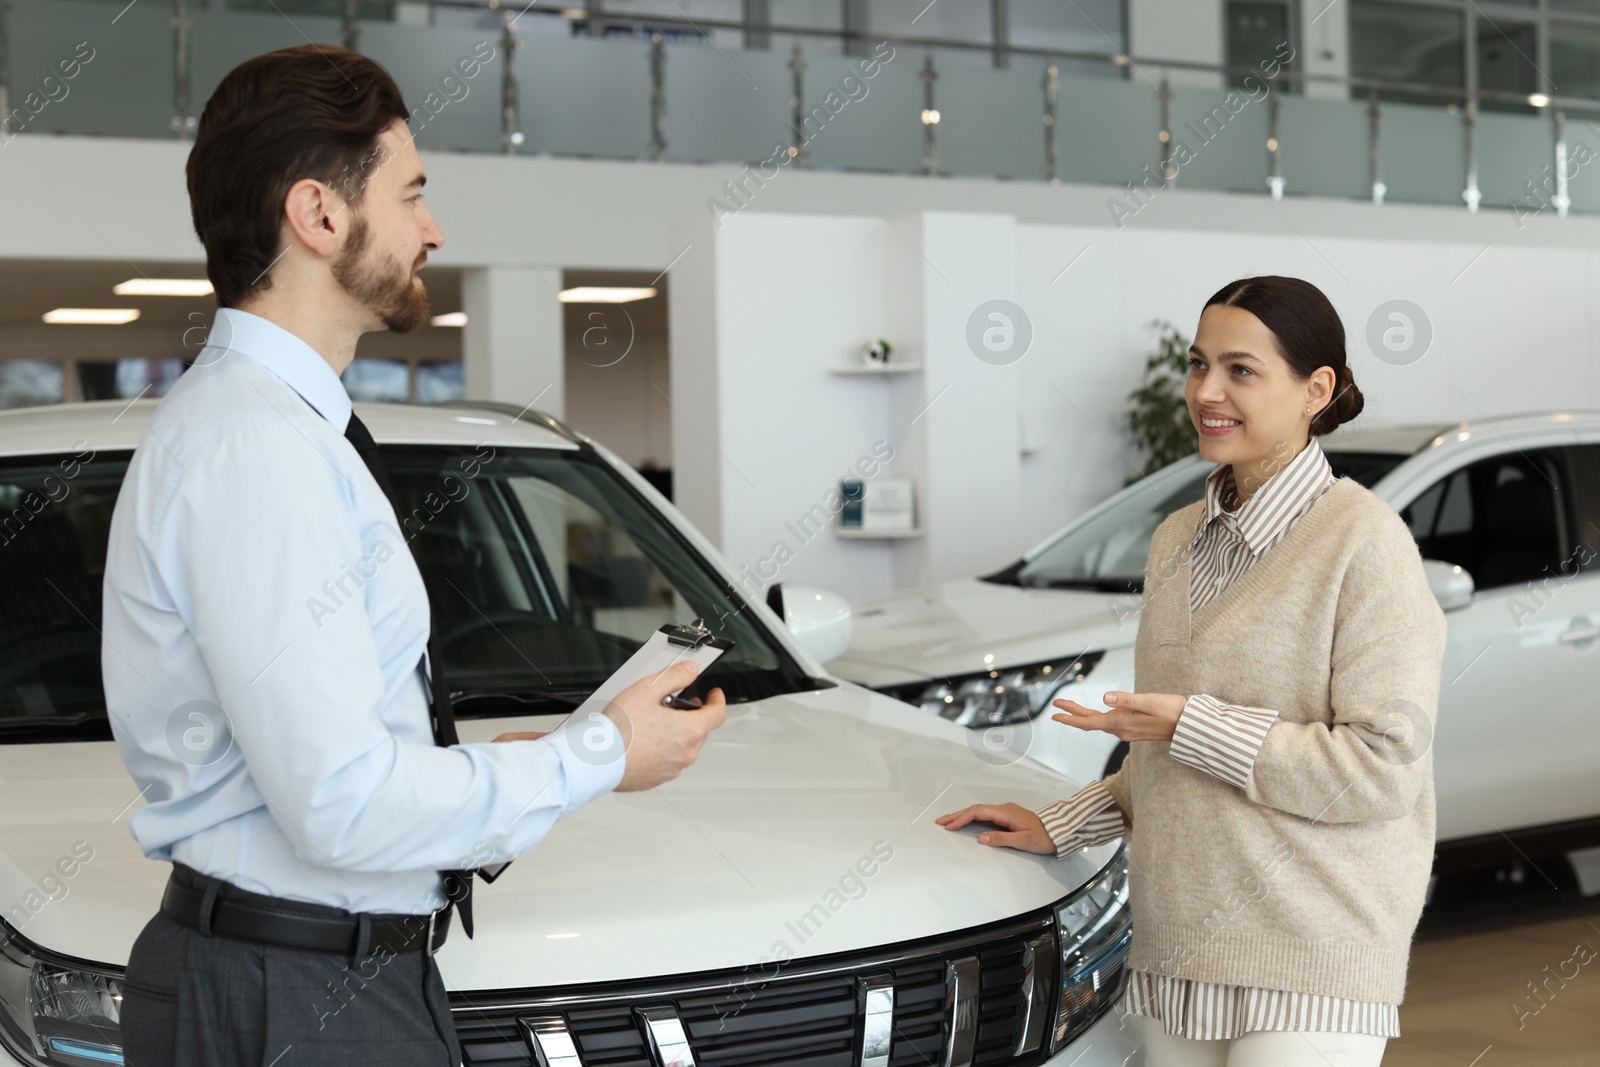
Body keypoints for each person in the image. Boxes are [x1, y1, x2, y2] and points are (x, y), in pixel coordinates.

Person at [100, 44, 726, 1066]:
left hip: (321, 976)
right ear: (319, 214)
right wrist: (602, 755)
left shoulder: (281, 429)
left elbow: (347, 756)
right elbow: (342, 807)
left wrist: (556, 754)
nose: (432, 230)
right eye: (412, 194)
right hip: (292, 994)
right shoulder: (258, 449)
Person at [937, 275, 1447, 1067]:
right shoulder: (1177, 539)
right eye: (1198, 364)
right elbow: (1167, 754)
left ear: (1317, 389)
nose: (1207, 391)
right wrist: (1066, 823)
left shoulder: (1365, 542)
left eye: (1241, 370)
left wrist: (1189, 722)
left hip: (1311, 952)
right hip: (1180, 950)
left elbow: (1381, 772)